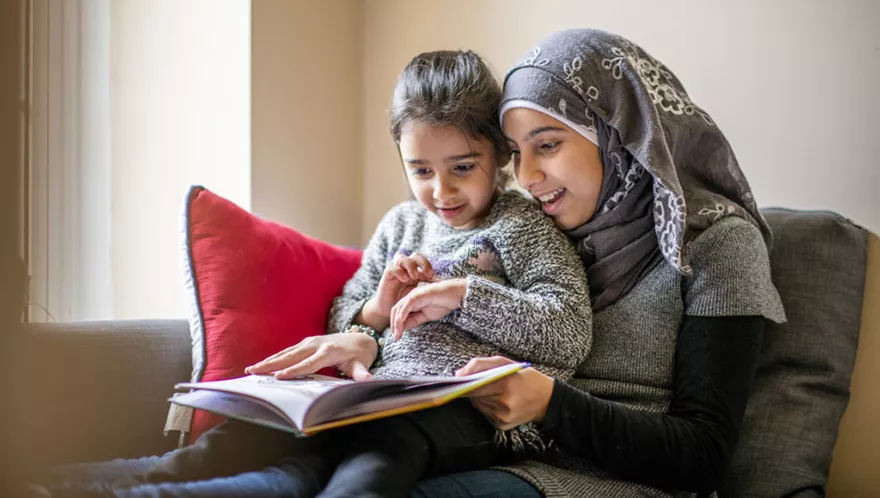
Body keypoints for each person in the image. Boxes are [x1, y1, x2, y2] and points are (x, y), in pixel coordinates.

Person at [248, 28, 788, 498]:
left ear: (617, 133)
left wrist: (552, 405)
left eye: (547, 145)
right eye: (516, 153)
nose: (526, 178)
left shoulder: (717, 245)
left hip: (608, 481)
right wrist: (370, 331)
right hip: (498, 450)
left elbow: (704, 455)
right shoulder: (551, 223)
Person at [32, 50, 592, 498]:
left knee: (370, 469)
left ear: (498, 154)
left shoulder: (523, 227)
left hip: (458, 414)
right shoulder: (400, 225)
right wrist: (375, 308)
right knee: (228, 445)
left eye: (462, 169)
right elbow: (344, 314)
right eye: (420, 170)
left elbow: (569, 331)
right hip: (364, 398)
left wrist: (463, 296)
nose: (440, 192)